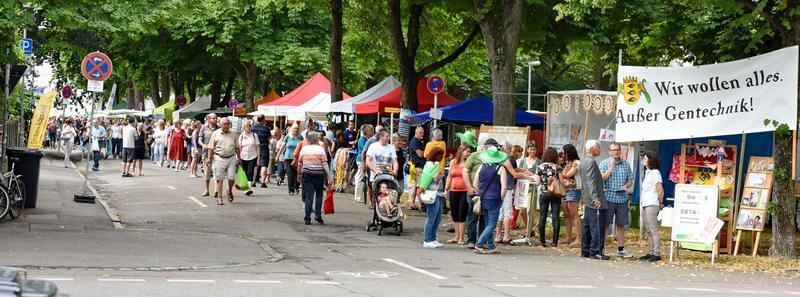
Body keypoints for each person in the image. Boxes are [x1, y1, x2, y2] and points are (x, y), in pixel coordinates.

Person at [599, 142, 634, 258]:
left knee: (621, 224)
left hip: (622, 198)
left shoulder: (626, 164)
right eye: (613, 150)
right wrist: (610, 168)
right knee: (606, 224)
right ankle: (601, 248)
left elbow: (630, 180)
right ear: (609, 152)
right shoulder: (604, 163)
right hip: (608, 197)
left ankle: (620, 249)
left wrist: (626, 186)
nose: (616, 152)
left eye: (618, 149)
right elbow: (601, 179)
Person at [472, 146, 508, 254]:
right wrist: (501, 198)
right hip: (494, 198)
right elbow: (504, 187)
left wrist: (480, 193)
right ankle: (479, 244)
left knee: (488, 223)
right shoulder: (500, 168)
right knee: (492, 224)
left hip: (483, 198)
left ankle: (491, 246)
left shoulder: (481, 167)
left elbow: (475, 184)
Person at [580, 140, 609, 260]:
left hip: (587, 198)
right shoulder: (591, 162)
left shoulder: (583, 161)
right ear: (592, 149)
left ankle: (585, 249)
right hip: (594, 199)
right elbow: (591, 181)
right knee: (597, 225)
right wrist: (595, 198)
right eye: (598, 147)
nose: (600, 150)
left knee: (587, 225)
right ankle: (596, 251)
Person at [297, 131, 333, 225]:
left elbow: (300, 163)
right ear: (317, 139)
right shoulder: (320, 149)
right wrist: (329, 176)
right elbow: (324, 163)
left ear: (308, 139)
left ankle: (307, 218)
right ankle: (318, 215)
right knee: (319, 195)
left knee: (309, 196)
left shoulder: (304, 149)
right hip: (318, 174)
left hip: (307, 174)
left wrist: (299, 174)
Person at [533, 147, 564, 248]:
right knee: (556, 217)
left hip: (544, 194)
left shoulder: (540, 167)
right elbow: (562, 182)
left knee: (542, 217)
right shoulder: (558, 167)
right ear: (555, 156)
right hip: (555, 194)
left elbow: (537, 183)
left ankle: (542, 242)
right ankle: (554, 243)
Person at [208, 118, 240, 205]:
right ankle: (219, 197)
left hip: (231, 157)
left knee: (232, 177)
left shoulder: (233, 133)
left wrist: (239, 158)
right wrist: (209, 159)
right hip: (219, 157)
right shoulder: (215, 133)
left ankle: (229, 190)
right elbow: (211, 147)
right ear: (221, 124)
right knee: (219, 178)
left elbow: (237, 147)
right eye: (224, 124)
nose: (226, 126)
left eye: (227, 124)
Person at [445, 144, 471, 245]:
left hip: (464, 191)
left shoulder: (468, 163)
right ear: (461, 151)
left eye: (469, 152)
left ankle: (461, 237)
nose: (468, 154)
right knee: (454, 213)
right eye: (467, 152)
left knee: (462, 213)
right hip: (454, 190)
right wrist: (446, 188)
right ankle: (456, 236)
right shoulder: (453, 162)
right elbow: (449, 177)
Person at [639, 151, 663, 262]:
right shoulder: (648, 172)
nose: (643, 160)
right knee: (649, 229)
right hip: (645, 203)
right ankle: (651, 251)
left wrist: (660, 202)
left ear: (650, 160)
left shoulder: (655, 173)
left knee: (653, 228)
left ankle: (656, 253)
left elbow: (659, 189)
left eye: (645, 158)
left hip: (652, 203)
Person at [421, 147, 446, 248]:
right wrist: (438, 172)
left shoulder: (434, 164)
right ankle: (427, 239)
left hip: (438, 193)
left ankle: (432, 238)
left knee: (438, 217)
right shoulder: (429, 165)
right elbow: (434, 178)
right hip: (432, 192)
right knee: (432, 217)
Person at [560, 144, 582, 246]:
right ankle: (568, 237)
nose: (563, 155)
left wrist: (558, 171)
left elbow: (568, 175)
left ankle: (579, 238)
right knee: (566, 215)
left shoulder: (576, 163)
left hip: (573, 189)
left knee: (574, 214)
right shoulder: (566, 163)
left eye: (565, 152)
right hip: (564, 190)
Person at [279, 125, 304, 195]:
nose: (296, 130)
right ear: (291, 129)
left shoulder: (301, 137)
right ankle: (291, 190)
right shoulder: (287, 136)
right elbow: (282, 146)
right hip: (288, 158)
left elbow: (303, 147)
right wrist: (278, 155)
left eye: (297, 128)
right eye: (294, 128)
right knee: (290, 174)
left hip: (297, 159)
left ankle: (296, 186)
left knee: (297, 174)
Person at [238, 119, 260, 196]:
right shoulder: (241, 136)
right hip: (243, 157)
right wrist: (238, 158)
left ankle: (248, 189)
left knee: (250, 172)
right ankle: (246, 187)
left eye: (250, 126)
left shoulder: (254, 135)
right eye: (247, 126)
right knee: (245, 173)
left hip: (253, 156)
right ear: (244, 127)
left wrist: (258, 158)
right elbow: (239, 148)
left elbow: (257, 147)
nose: (248, 127)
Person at [199, 114, 219, 197]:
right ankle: (206, 190)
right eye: (213, 118)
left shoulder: (219, 128)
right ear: (208, 119)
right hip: (206, 154)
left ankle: (216, 190)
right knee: (207, 173)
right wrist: (204, 145)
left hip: (217, 154)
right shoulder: (204, 127)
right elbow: (199, 140)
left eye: (216, 118)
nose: (215, 119)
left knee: (216, 172)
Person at [408, 126, 426, 210]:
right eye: (420, 132)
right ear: (416, 132)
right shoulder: (415, 142)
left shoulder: (418, 141)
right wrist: (426, 151)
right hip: (418, 166)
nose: (422, 134)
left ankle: (412, 203)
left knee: (415, 186)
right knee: (419, 186)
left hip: (416, 166)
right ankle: (421, 204)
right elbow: (420, 154)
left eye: (423, 132)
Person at [251, 115, 271, 188]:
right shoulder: (266, 129)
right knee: (264, 165)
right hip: (264, 148)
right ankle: (263, 182)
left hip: (254, 148)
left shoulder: (252, 128)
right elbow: (269, 139)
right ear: (263, 120)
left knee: (254, 165)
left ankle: (253, 181)